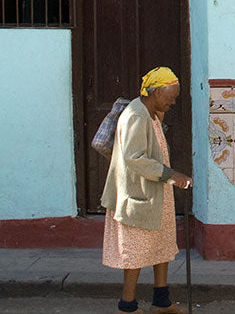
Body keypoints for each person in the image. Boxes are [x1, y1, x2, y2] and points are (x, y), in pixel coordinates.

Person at [102, 66, 193, 313]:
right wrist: (171, 174)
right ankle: (127, 306)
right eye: (170, 97)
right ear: (154, 92)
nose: (173, 102)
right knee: (136, 252)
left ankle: (161, 302)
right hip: (137, 193)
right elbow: (135, 157)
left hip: (155, 192)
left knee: (161, 245)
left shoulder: (151, 112)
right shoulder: (136, 115)